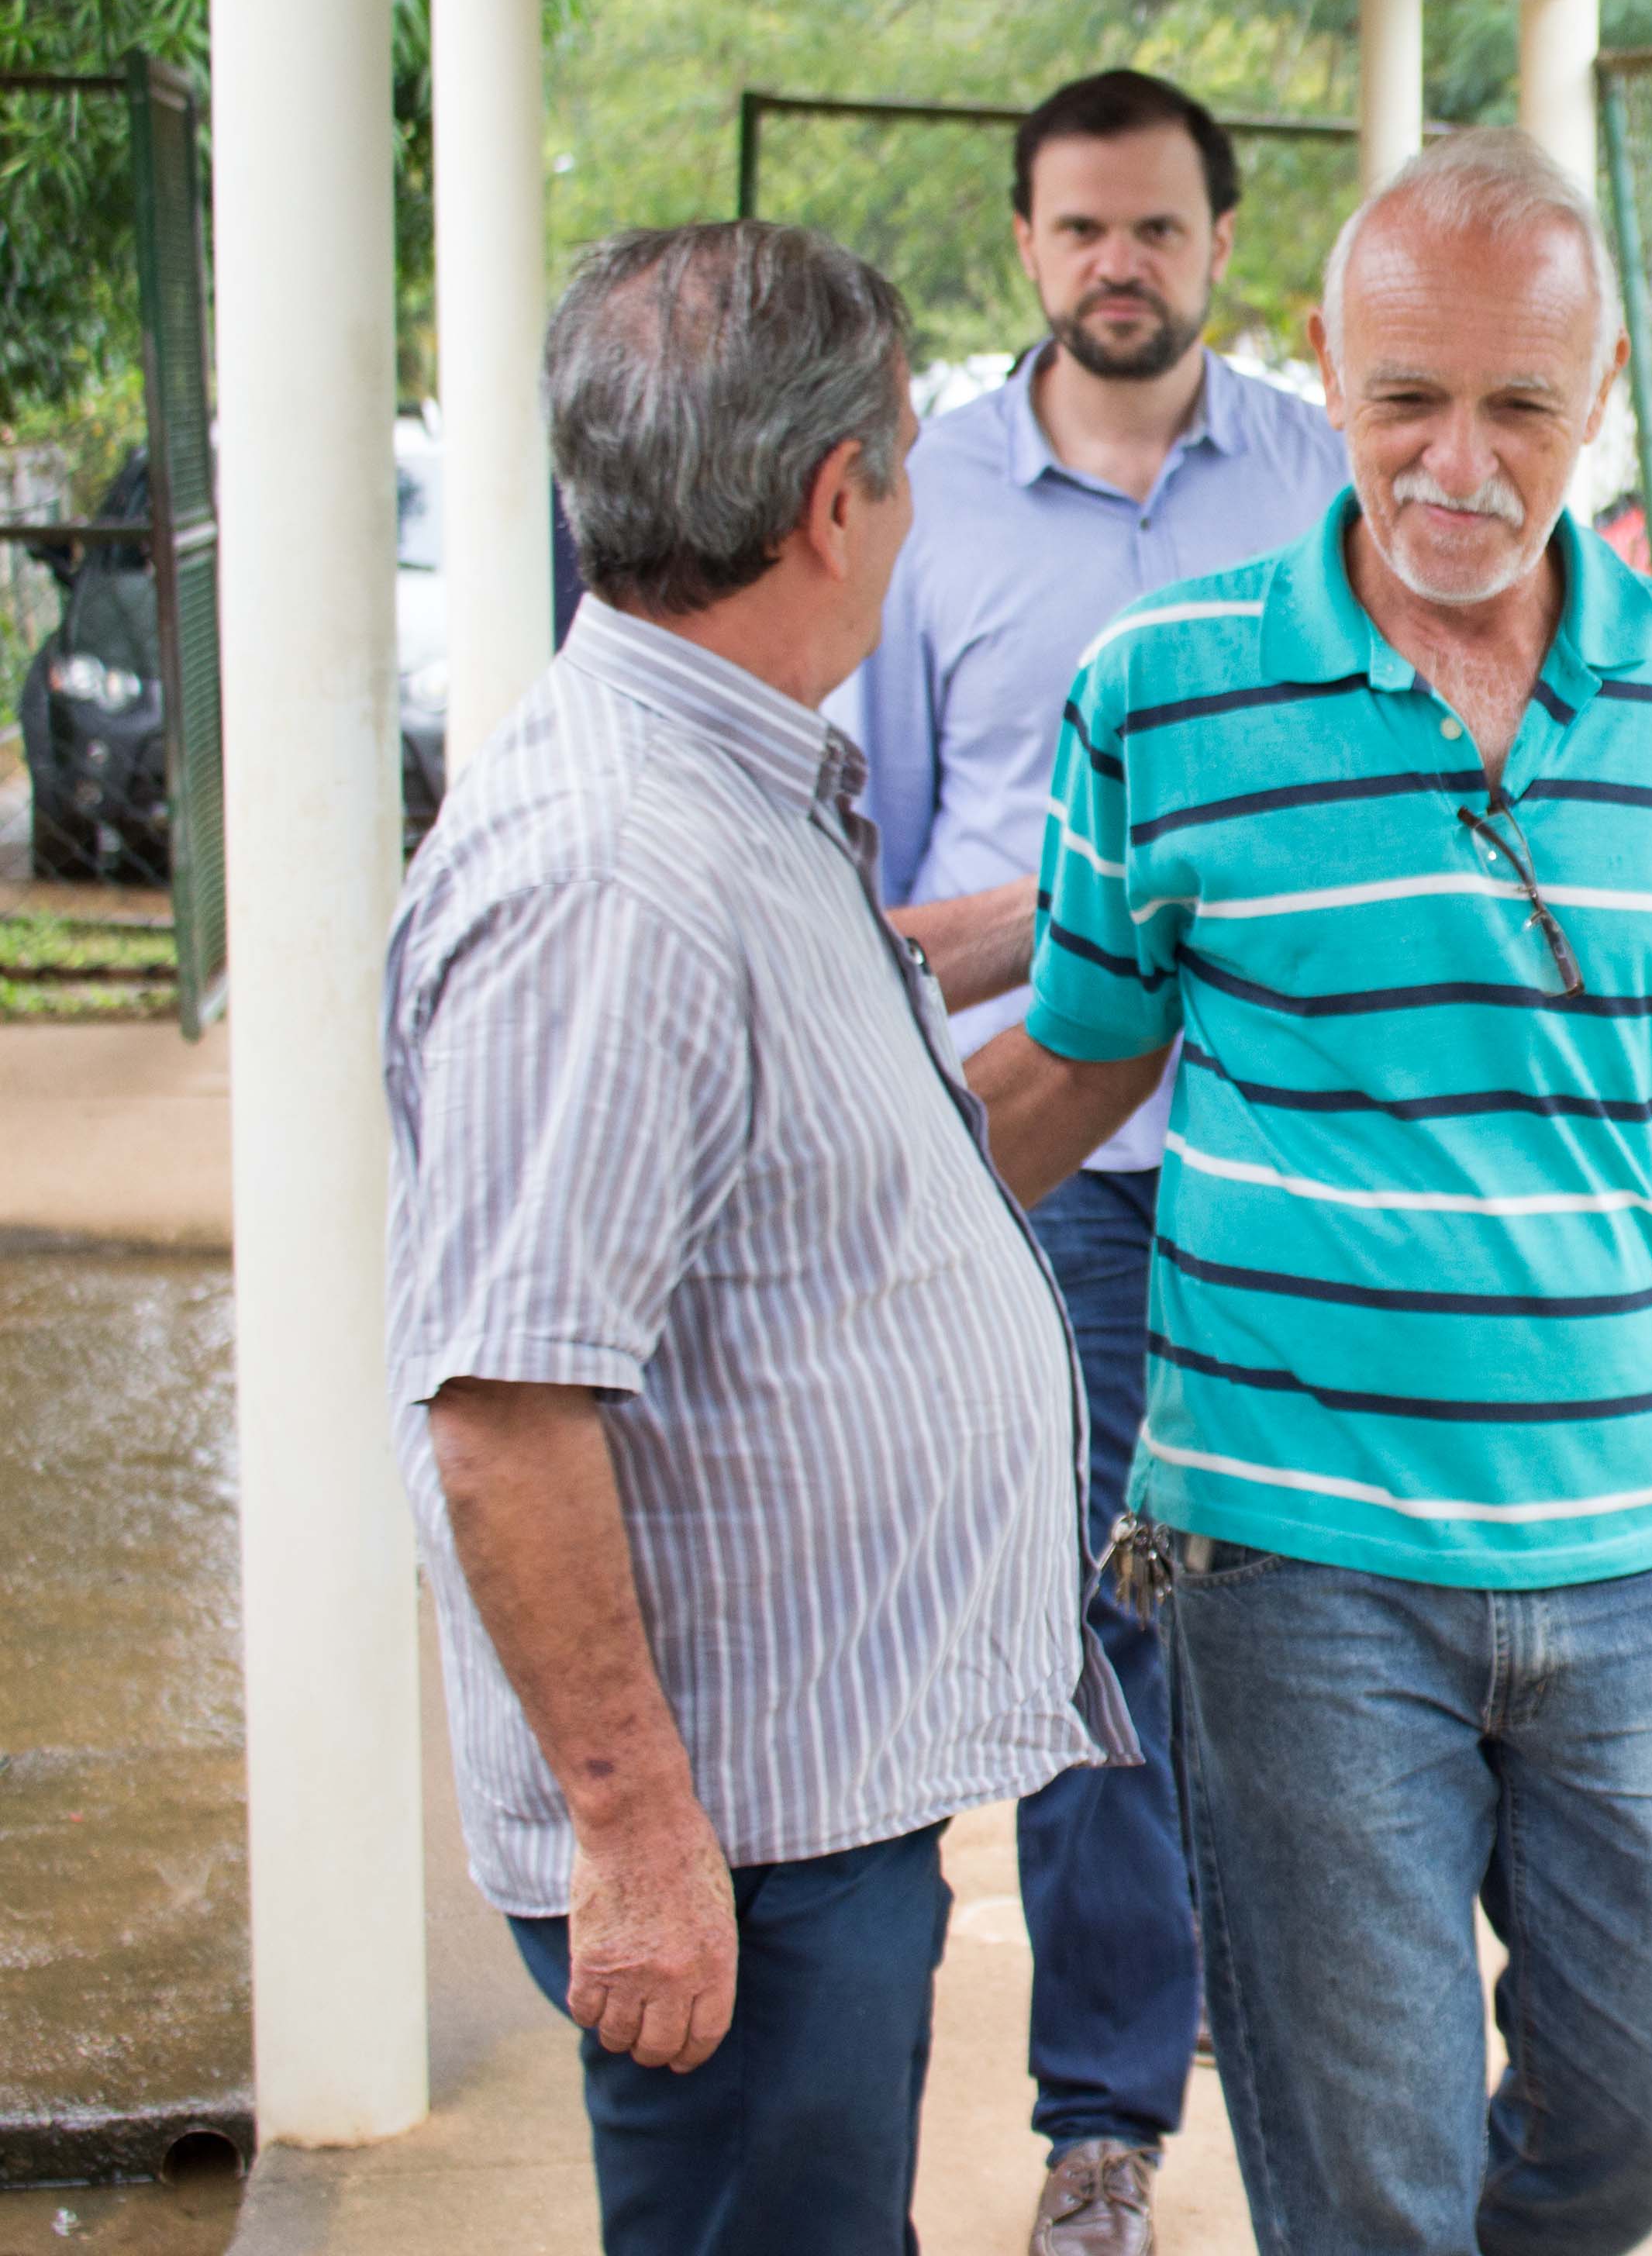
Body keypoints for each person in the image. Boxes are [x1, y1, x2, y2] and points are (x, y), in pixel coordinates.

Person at [969, 127, 1652, 2256]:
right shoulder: (1165, 698)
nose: (1457, 464)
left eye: (1519, 411)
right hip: (1289, 1555)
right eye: (1405, 401)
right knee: (1361, 2171)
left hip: (1625, 1545)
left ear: (1600, 406)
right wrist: (832, 1267)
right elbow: (1076, 1061)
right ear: (1325, 361)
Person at [384, 222, 1129, 2256]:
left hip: (812, 1813)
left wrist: (1116, 960)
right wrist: (634, 1843)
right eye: (908, 463)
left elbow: (883, 1176)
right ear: (834, 503)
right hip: (734, 1848)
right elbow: (504, 1412)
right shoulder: (617, 874)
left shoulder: (736, 790)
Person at [829, 66, 1347, 2256]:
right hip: (1051, 1157)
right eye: (1079, 232)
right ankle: (1107, 2111)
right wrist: (1070, 937)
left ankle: (1282, 1998)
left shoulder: (1322, 481)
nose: (1118, 264)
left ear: (1219, 246)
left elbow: (1347, 813)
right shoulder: (925, 496)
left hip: (1289, 1150)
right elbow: (895, 849)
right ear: (1025, 250)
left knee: (1305, 1610)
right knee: (1083, 1620)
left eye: (1156, 228)